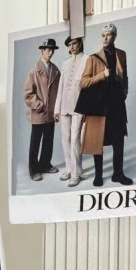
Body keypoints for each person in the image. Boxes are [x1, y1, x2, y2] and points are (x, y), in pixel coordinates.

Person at [75, 22, 132, 187]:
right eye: (103, 35)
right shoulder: (93, 58)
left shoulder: (121, 54)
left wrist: (124, 93)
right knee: (97, 140)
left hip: (116, 104)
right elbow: (83, 82)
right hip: (99, 105)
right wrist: (102, 75)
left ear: (114, 36)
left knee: (118, 140)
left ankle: (118, 174)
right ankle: (98, 175)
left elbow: (125, 77)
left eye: (109, 35)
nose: (105, 38)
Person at [23, 37, 61, 181]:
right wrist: (40, 105)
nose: (50, 53)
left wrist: (57, 109)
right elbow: (28, 94)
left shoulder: (55, 70)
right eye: (48, 50)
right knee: (35, 142)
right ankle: (33, 170)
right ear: (42, 51)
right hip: (39, 113)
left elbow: (59, 92)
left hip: (51, 113)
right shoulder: (34, 71)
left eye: (52, 50)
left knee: (48, 141)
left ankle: (45, 164)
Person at [54, 35, 88, 186]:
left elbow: (89, 88)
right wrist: (56, 109)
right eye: (69, 45)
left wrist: (87, 108)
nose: (72, 47)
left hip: (79, 106)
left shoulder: (87, 59)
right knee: (66, 139)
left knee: (75, 139)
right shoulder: (65, 63)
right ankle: (70, 168)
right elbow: (60, 88)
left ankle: (75, 174)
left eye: (74, 43)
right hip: (64, 107)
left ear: (80, 43)